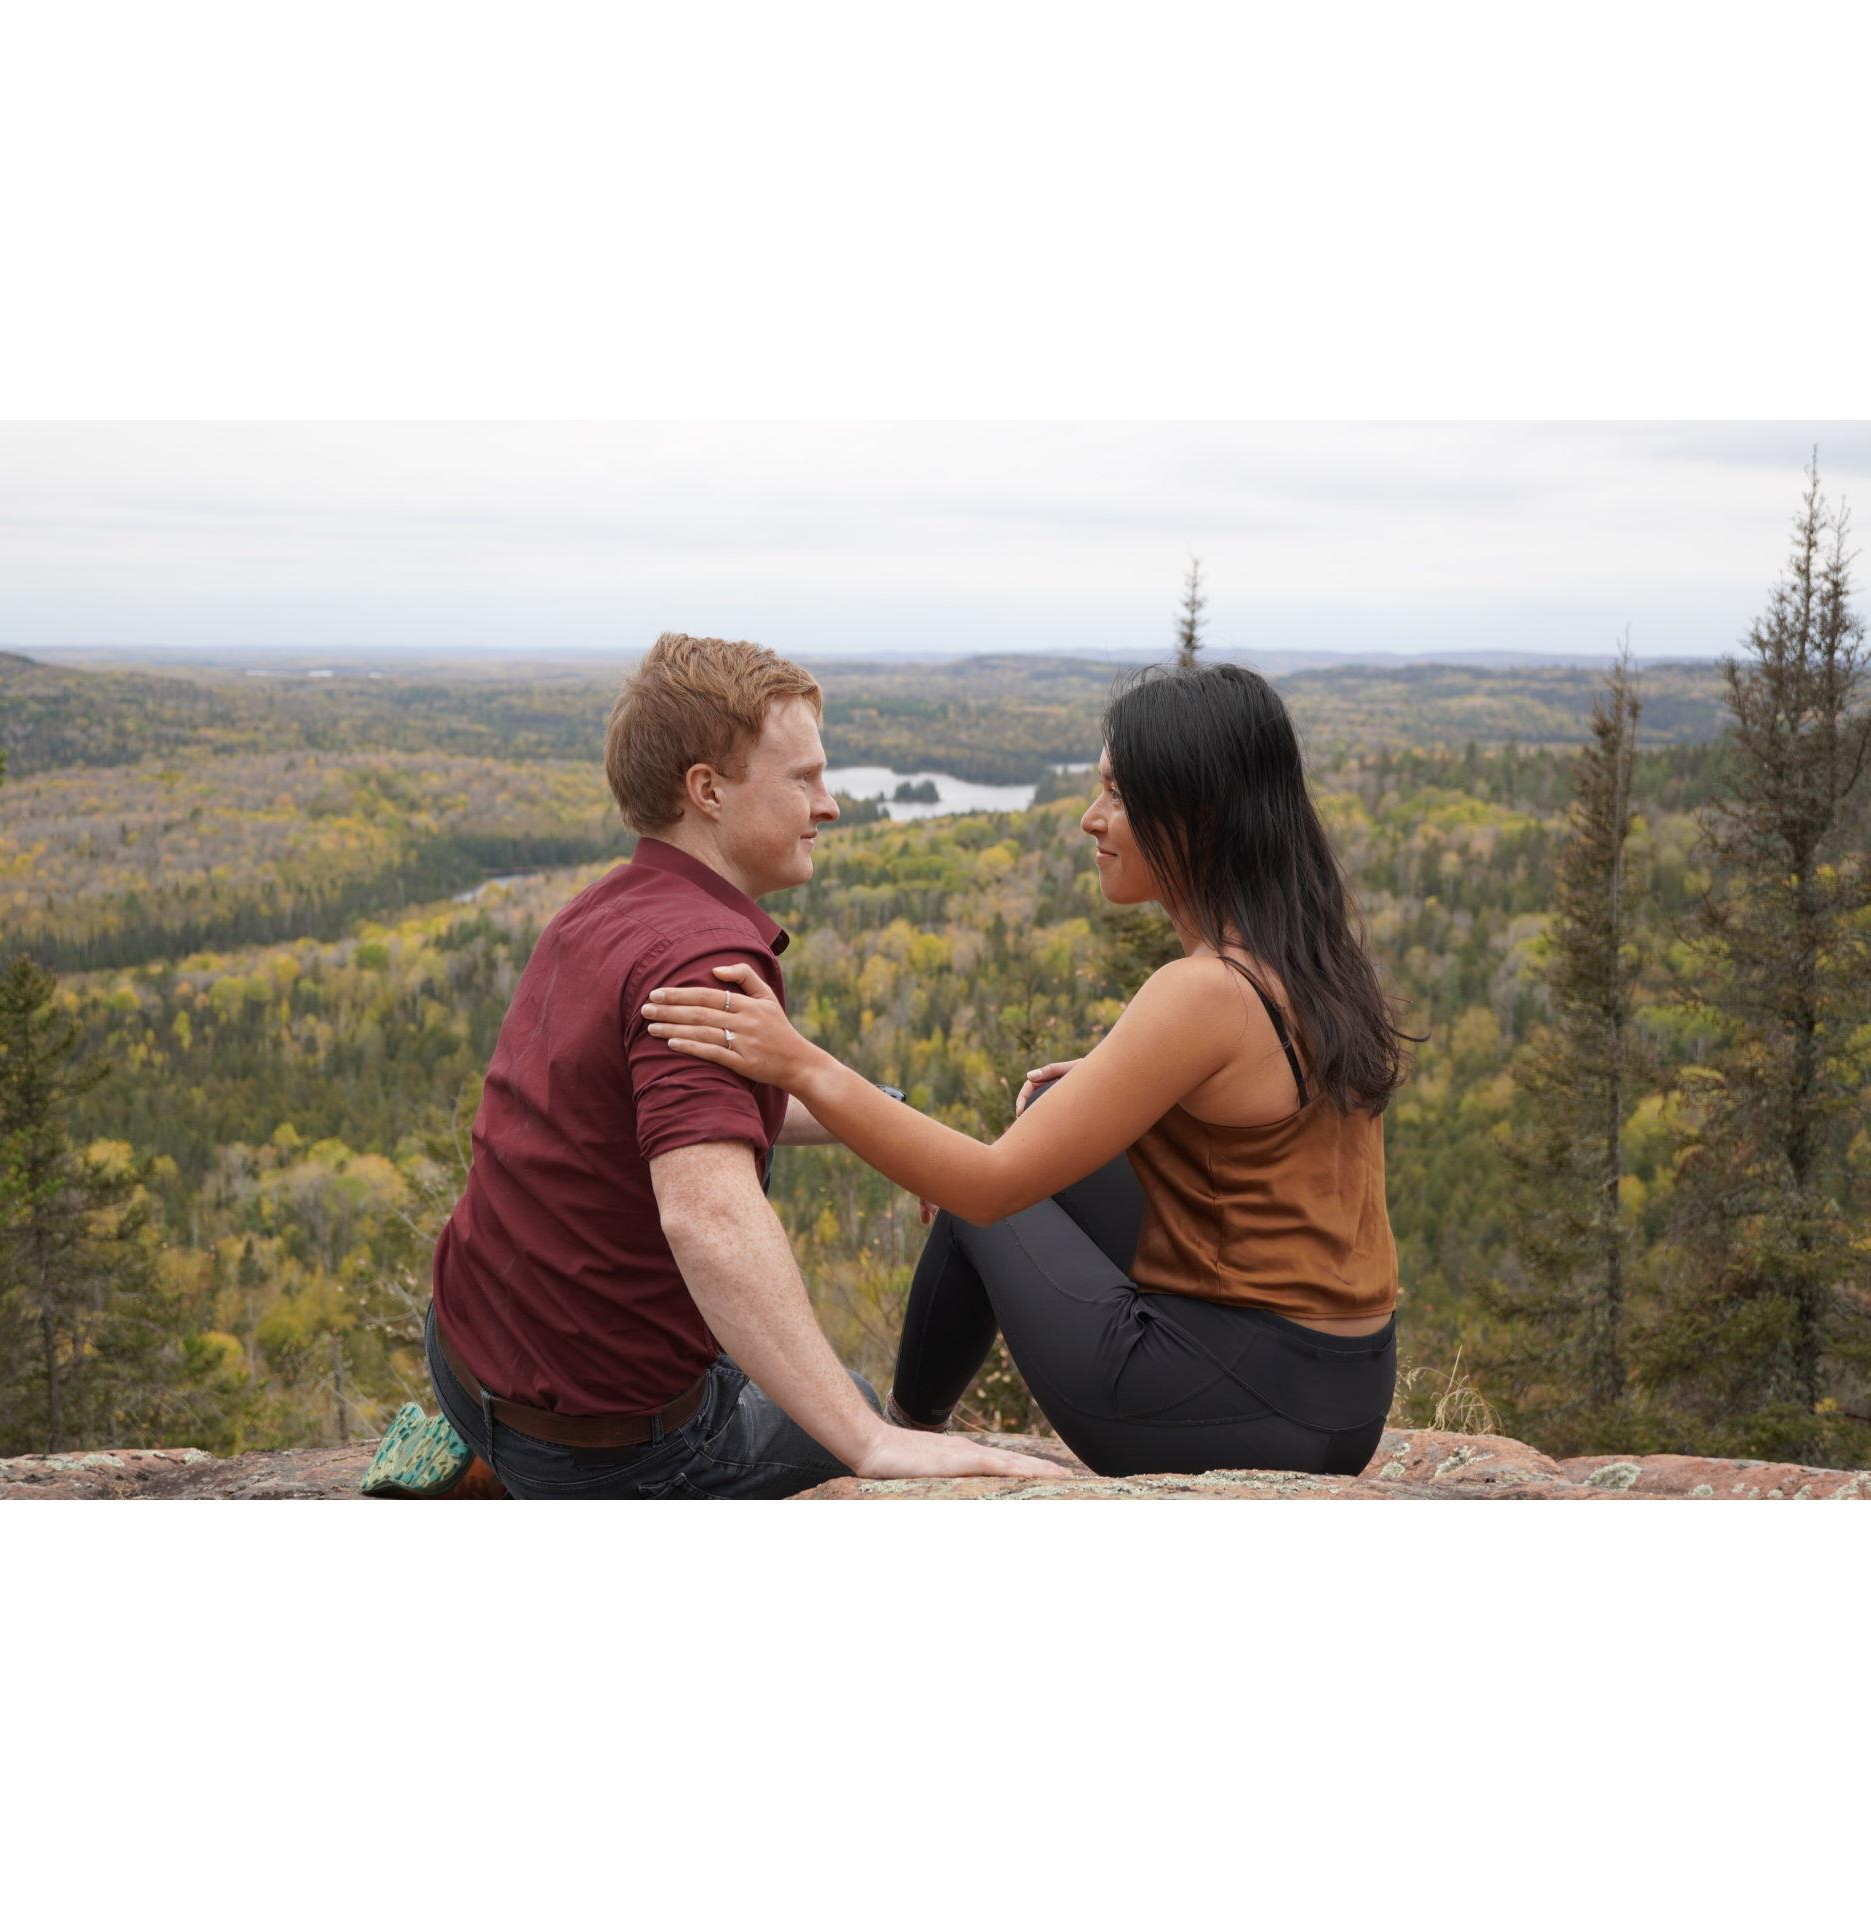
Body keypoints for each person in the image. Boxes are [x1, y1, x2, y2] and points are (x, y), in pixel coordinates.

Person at [640, 661, 1422, 1479]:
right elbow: (1267, 1130)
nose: (1092, 819)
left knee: (986, 1203)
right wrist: (1116, 1084)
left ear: (1196, 816)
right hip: (1341, 1397)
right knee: (1053, 1124)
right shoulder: (1305, 958)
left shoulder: (1202, 991)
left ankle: (906, 1438)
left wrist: (800, 1063)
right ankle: (919, 1428)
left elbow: (986, 1187)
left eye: (1118, 794)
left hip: (1228, 1409)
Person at [422, 632, 1069, 1498]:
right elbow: (709, 1220)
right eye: (803, 779)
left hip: (471, 1360)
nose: (829, 805)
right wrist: (868, 1442)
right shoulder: (701, 956)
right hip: (606, 1443)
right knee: (854, 1407)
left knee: (793, 1380)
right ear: (707, 791)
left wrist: (888, 1118)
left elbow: (695, 1104)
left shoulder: (606, 909)